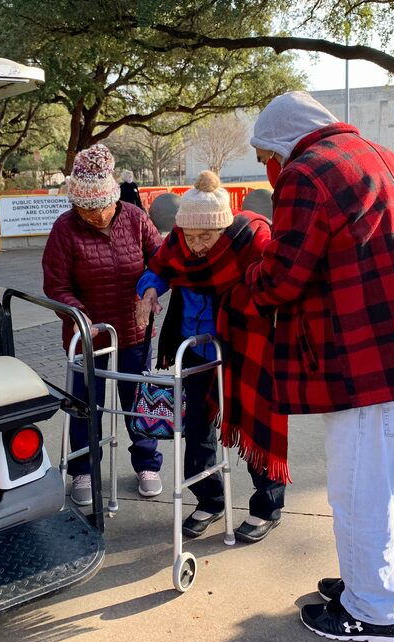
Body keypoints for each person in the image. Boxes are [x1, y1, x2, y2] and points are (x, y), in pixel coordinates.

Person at [247, 91, 394, 642]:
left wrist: (248, 270)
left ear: (280, 145)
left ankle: (372, 614)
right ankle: (384, 587)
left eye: (265, 157)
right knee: (392, 485)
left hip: (373, 368)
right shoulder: (382, 157)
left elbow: (280, 280)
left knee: (359, 491)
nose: (267, 170)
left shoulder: (307, 174)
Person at [136, 171, 288, 543]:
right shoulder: (177, 243)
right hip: (193, 351)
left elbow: (277, 277)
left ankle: (267, 507)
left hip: (242, 347)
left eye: (207, 237)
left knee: (254, 423)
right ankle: (210, 499)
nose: (198, 246)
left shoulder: (252, 237)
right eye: (190, 237)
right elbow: (157, 268)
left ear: (224, 227)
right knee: (197, 429)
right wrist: (150, 290)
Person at [42, 144, 163, 506]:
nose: (93, 215)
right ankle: (83, 469)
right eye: (85, 209)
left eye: (100, 208)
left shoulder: (135, 218)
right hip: (87, 335)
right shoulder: (65, 228)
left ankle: (147, 463)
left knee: (138, 400)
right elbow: (56, 285)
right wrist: (80, 316)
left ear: (113, 199)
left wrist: (151, 290)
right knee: (84, 404)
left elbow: (160, 260)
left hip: (133, 329)